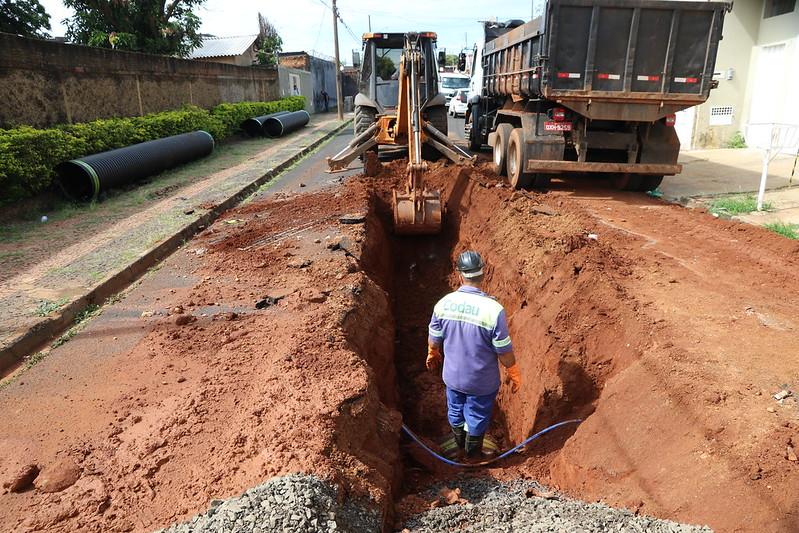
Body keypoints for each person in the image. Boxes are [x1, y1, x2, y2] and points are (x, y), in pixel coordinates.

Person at [427, 250, 521, 459]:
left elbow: (434, 339)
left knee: (455, 409)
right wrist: (513, 370)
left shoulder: (443, 304)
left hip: (452, 376)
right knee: (476, 415)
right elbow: (503, 351)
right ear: (483, 274)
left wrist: (432, 353)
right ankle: (472, 454)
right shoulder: (493, 310)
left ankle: (459, 444)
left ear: (460, 275)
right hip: (481, 381)